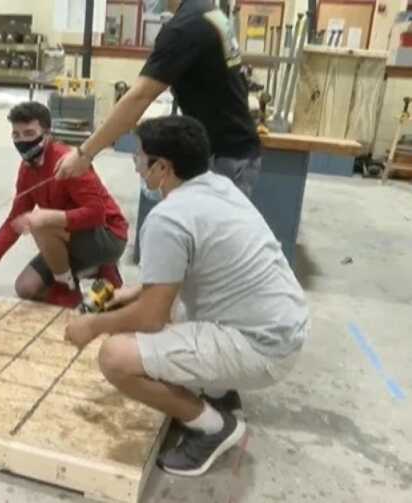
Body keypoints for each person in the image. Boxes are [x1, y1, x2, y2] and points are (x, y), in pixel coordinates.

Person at [64, 116, 308, 477]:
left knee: (116, 355)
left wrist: (93, 325)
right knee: (167, 306)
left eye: (140, 158)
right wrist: (134, 293)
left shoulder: (168, 218)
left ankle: (213, 427)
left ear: (163, 167)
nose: (136, 165)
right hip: (284, 326)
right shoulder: (218, 187)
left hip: (262, 347)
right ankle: (221, 391)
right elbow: (193, 271)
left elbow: (151, 318)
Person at [55, 0, 261, 197]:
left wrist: (84, 154)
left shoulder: (184, 27)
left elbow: (140, 96)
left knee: (206, 230)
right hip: (232, 148)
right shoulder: (208, 11)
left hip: (225, 158)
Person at [0, 102, 129, 308]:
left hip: (107, 235)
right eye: (16, 135)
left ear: (47, 133)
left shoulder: (69, 162)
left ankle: (70, 286)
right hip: (69, 237)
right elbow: (14, 219)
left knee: (40, 225)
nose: (22, 141)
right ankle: (92, 271)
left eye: (29, 133)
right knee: (25, 288)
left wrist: (47, 217)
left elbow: (96, 214)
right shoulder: (27, 169)